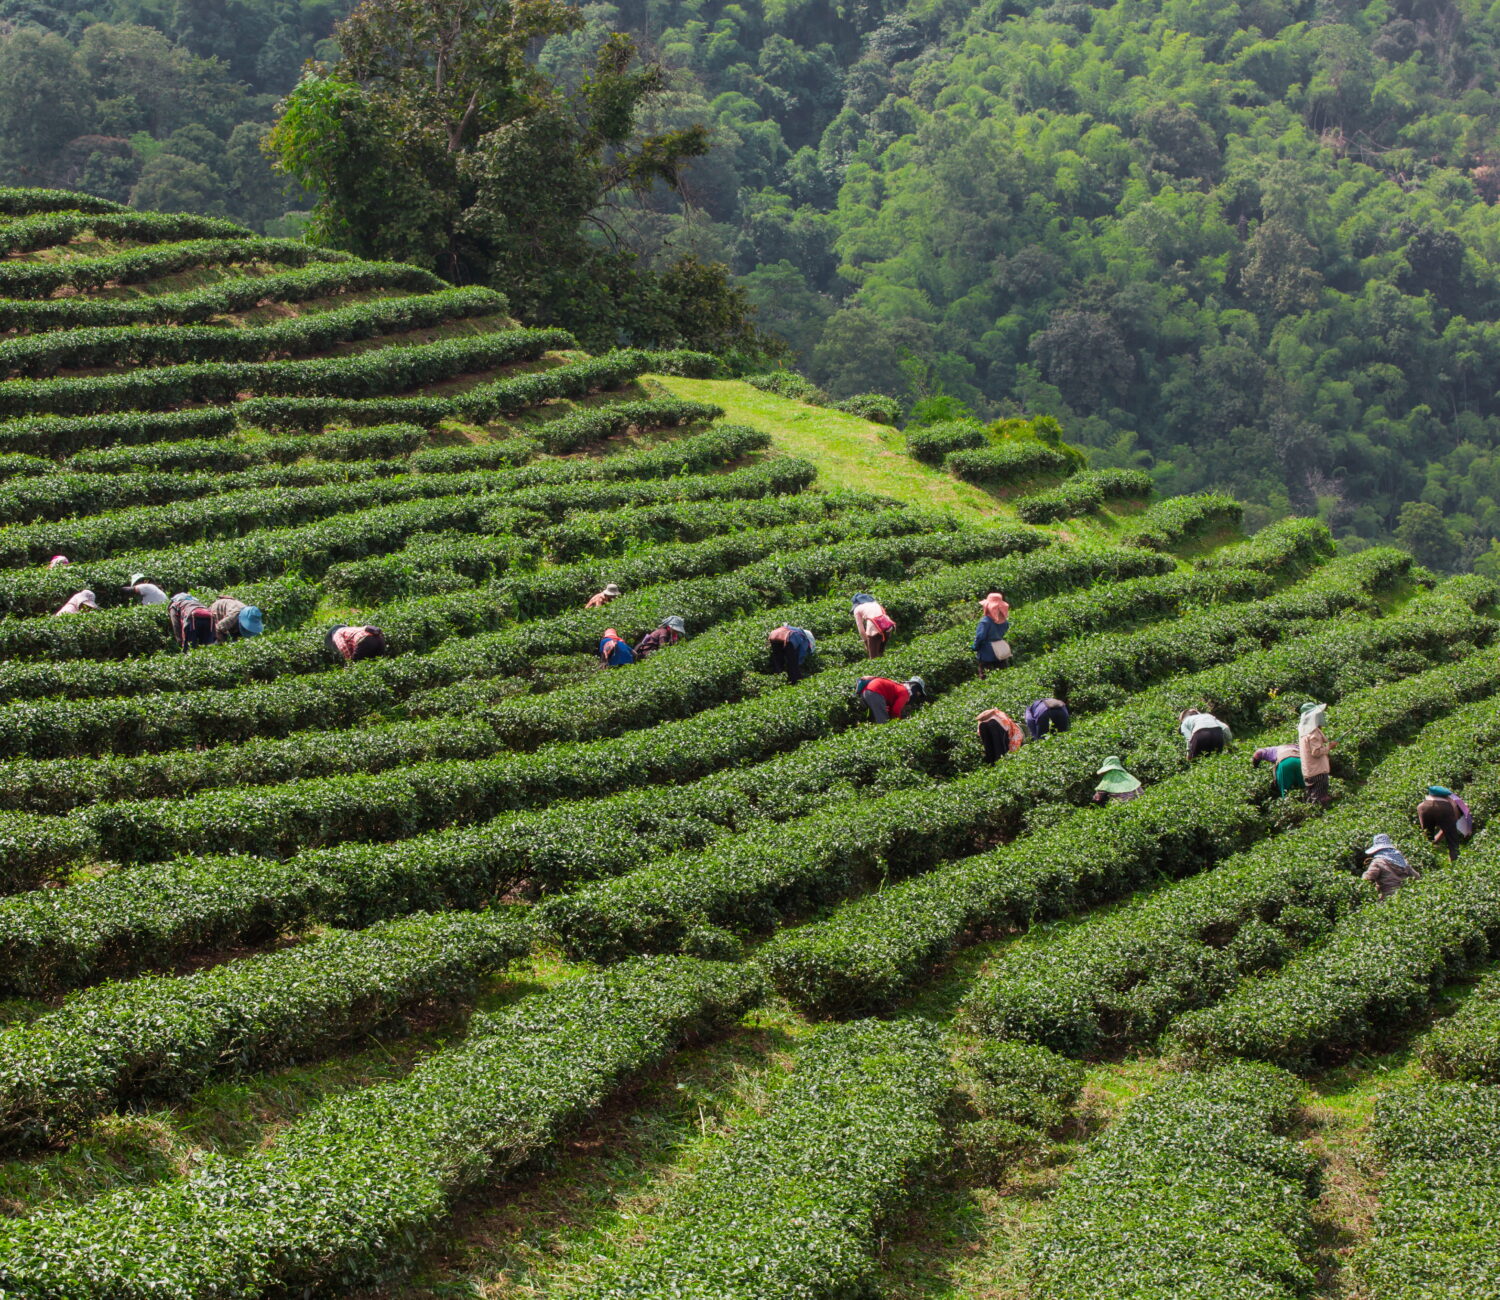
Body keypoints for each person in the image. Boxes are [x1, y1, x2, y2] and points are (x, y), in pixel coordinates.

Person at [1417, 785, 1473, 863]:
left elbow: (1429, 832)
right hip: (1444, 809)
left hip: (1424, 808)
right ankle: (1455, 861)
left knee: (1427, 837)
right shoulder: (1457, 805)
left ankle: (1426, 861)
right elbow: (1449, 829)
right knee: (1452, 840)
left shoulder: (1423, 804)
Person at [1357, 833, 1419, 899]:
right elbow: (1417, 876)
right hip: (1405, 895)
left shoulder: (1378, 861)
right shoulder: (1402, 861)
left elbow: (1367, 878)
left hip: (1388, 897)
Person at [1299, 701, 1333, 806]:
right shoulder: (1314, 733)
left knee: (1311, 796)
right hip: (1318, 771)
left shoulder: (1303, 731)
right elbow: (1316, 752)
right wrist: (1329, 747)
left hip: (1308, 771)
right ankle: (1318, 816)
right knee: (1319, 799)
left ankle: (1311, 815)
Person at [857, 675, 926, 724]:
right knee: (884, 722)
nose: (917, 696)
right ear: (915, 688)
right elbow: (895, 711)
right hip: (875, 692)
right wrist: (898, 724)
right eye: (918, 694)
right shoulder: (905, 693)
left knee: (874, 719)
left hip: (866, 692)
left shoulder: (899, 687)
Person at [973, 592, 1012, 677]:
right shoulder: (1004, 621)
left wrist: (975, 647)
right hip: (1000, 652)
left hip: (987, 653)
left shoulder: (985, 622)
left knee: (985, 676)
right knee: (1002, 676)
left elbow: (980, 637)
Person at [852, 593, 895, 658]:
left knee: (873, 658)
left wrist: (866, 642)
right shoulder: (875, 604)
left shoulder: (857, 609)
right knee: (880, 653)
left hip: (874, 628)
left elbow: (861, 630)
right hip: (887, 627)